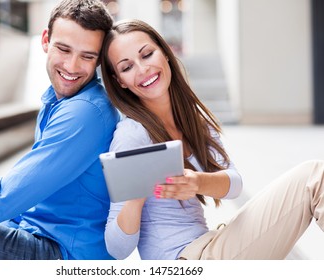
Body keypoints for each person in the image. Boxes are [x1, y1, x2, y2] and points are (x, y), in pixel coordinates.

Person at [100, 19, 324, 260]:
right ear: (119, 81)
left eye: (147, 54)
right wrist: (135, 196)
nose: (142, 69)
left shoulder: (192, 118)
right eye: (127, 67)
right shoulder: (132, 134)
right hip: (184, 261)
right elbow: (117, 248)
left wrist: (197, 181)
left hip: (207, 245)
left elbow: (234, 184)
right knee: (313, 178)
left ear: (165, 53)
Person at [0, 0, 120, 260]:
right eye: (64, 49)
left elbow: (0, 202)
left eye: (87, 56)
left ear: (99, 59)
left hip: (62, 255)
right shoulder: (59, 100)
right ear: (45, 40)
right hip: (39, 234)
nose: (72, 66)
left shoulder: (85, 112)